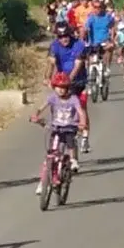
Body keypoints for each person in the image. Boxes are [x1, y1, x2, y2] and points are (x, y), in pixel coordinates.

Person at [29, 71, 89, 195]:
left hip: (70, 127)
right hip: (55, 127)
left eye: (64, 88)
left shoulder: (73, 99)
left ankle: (73, 160)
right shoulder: (52, 98)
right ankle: (43, 182)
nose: (61, 90)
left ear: (68, 88)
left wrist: (82, 123)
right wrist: (36, 115)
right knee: (50, 155)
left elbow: (80, 111)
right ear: (54, 87)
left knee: (70, 142)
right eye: (58, 87)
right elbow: (41, 107)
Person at [46, 22, 91, 152]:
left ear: (70, 35)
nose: (63, 39)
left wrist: (68, 80)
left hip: (78, 82)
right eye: (60, 36)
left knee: (81, 107)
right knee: (56, 105)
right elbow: (51, 63)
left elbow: (77, 65)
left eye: (66, 35)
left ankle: (85, 136)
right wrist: (47, 77)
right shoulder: (54, 46)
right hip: (62, 83)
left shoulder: (79, 45)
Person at [85, 0, 116, 75]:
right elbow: (85, 28)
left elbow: (112, 26)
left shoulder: (107, 17)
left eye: (99, 7)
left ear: (102, 8)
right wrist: (84, 36)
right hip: (93, 42)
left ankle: (107, 67)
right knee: (88, 56)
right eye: (95, 7)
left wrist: (112, 37)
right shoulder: (91, 17)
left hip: (104, 41)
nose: (97, 9)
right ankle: (90, 77)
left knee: (110, 47)